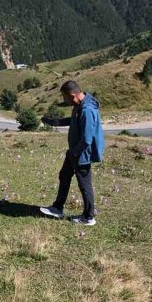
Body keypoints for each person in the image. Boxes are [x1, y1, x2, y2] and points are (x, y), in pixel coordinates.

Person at [39, 80, 105, 226]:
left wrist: (74, 153)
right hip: (75, 151)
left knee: (84, 184)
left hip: (82, 153)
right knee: (64, 175)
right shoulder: (79, 105)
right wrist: (53, 122)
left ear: (73, 95)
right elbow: (73, 120)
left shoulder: (87, 110)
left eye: (65, 97)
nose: (65, 101)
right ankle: (57, 208)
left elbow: (87, 139)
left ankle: (89, 217)